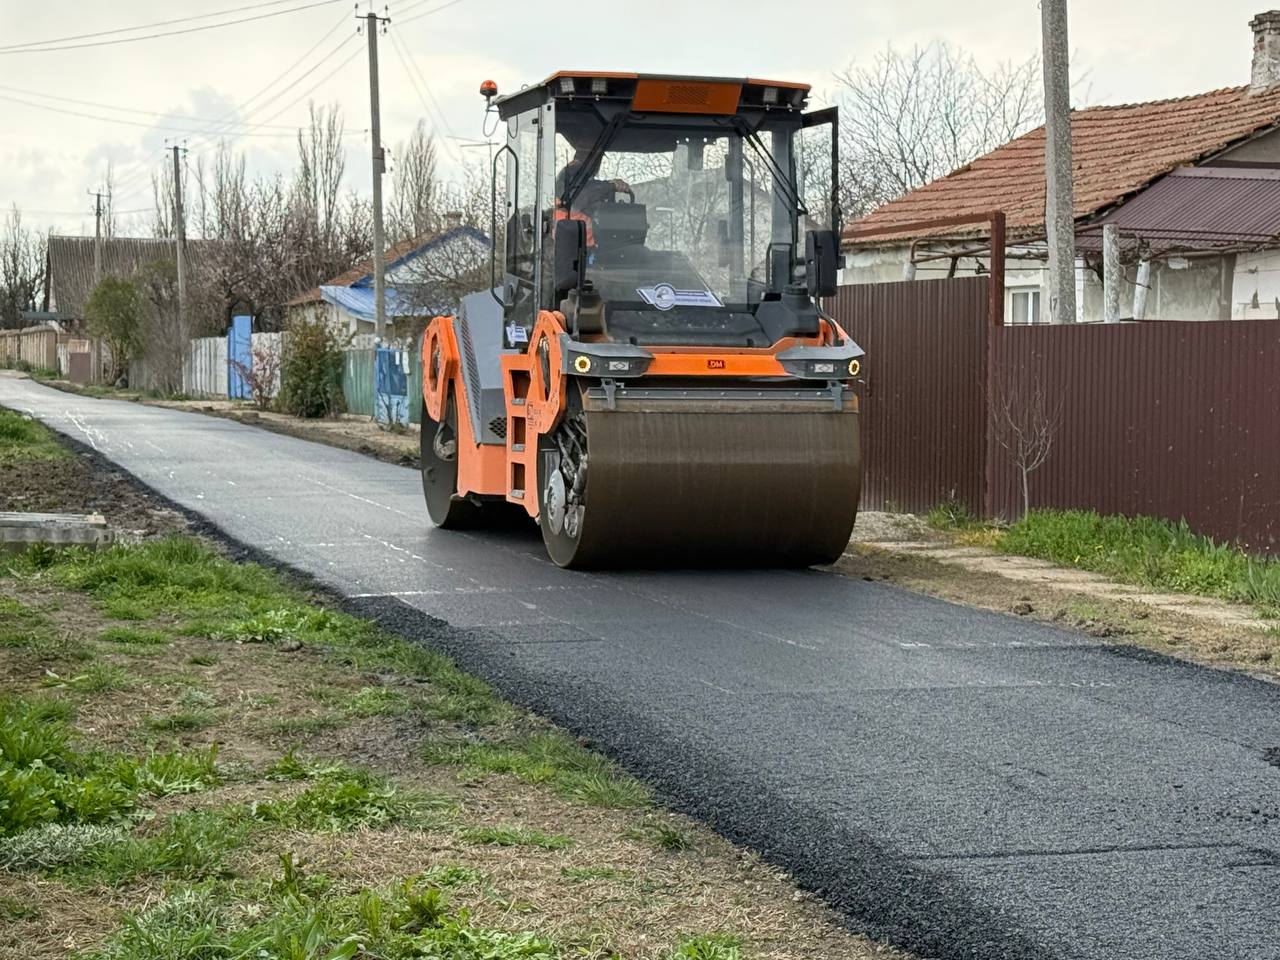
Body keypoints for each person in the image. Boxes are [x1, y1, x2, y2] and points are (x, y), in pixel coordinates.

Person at [554, 151, 631, 247]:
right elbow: (581, 196)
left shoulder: (577, 174)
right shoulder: (574, 171)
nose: (598, 163)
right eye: (598, 157)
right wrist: (611, 185)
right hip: (574, 247)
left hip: (584, 245)